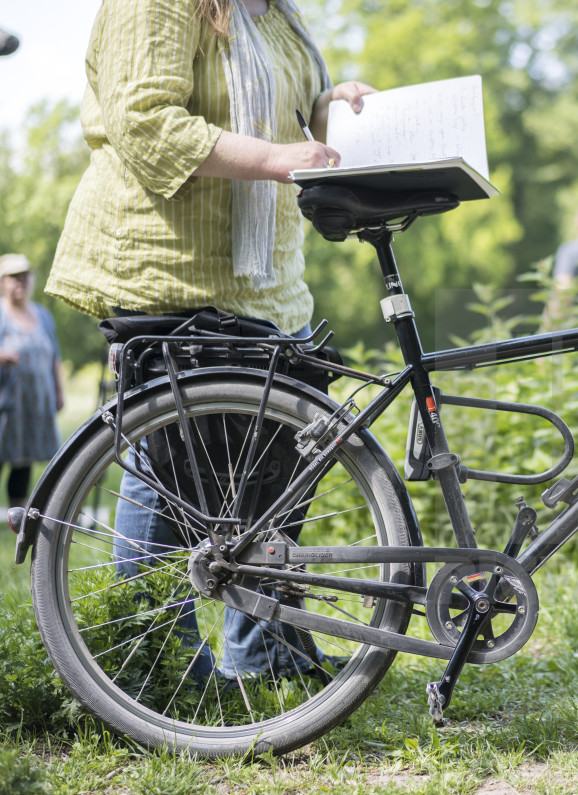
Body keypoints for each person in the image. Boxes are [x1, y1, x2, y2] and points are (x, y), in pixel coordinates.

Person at [45, 0, 376, 678]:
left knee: (271, 465)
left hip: (264, 280)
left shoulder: (273, 10)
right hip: (169, 266)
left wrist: (327, 109)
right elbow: (143, 121)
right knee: (171, 469)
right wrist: (274, 157)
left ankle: (266, 648)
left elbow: (285, 108)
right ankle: (150, 660)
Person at [0, 254, 63, 511]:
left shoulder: (42, 314)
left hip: (33, 405)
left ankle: (17, 516)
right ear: (3, 282)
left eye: (24, 277)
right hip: (6, 404)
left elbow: (55, 355)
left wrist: (59, 390)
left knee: (22, 462)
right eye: (14, 278)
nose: (20, 283)